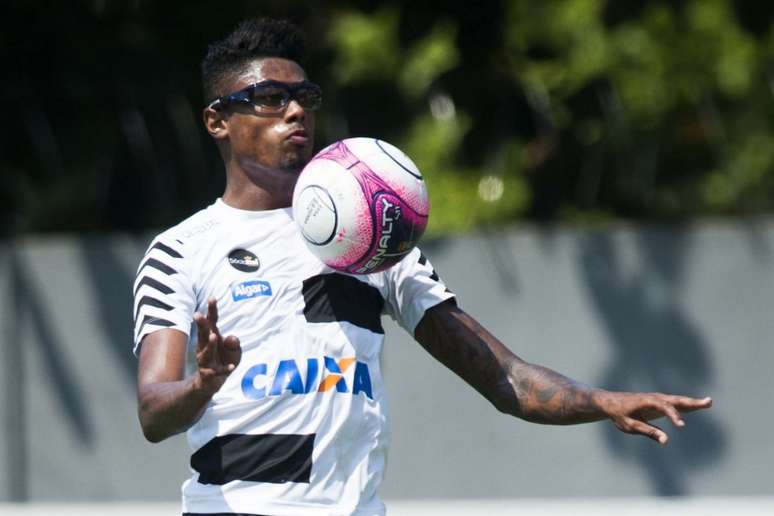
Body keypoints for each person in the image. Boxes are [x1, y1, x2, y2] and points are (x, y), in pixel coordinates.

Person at [133, 17, 712, 516]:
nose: (294, 111)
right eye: (269, 99)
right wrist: (203, 382)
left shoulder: (370, 236)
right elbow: (155, 413)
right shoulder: (182, 249)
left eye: (305, 97)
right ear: (217, 121)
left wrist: (598, 402)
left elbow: (504, 378)